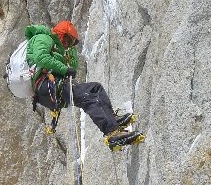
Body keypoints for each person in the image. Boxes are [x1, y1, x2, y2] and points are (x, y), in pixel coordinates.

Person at [25, 21, 145, 151]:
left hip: (56, 86)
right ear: (60, 33)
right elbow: (41, 57)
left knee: (96, 88)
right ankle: (112, 133)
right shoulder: (43, 38)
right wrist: (64, 69)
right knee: (87, 97)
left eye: (70, 42)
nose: (67, 44)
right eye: (66, 39)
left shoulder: (60, 50)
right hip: (46, 85)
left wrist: (71, 52)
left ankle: (111, 118)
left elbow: (72, 69)